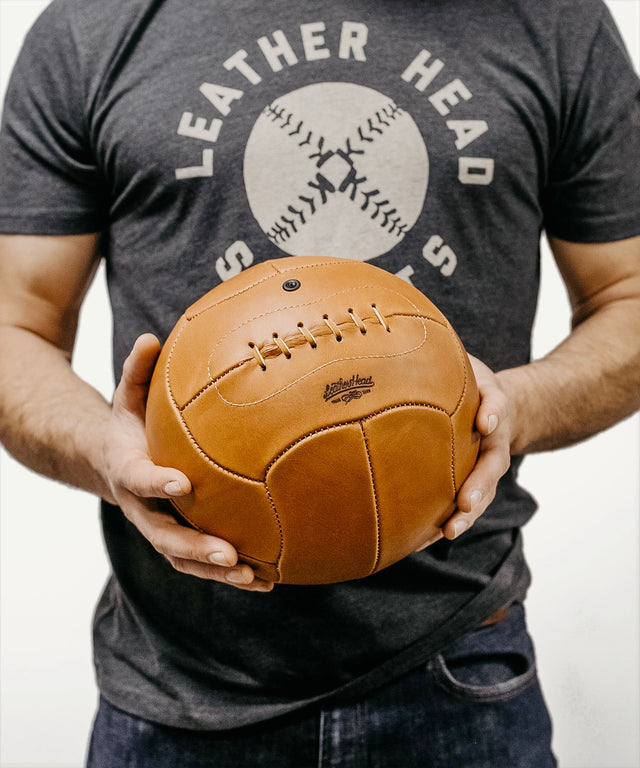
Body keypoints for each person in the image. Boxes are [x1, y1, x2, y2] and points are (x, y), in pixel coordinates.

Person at [0, 0, 639, 765]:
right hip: (175, 682)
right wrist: (105, 451)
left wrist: (515, 407)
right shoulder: (92, 25)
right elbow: (16, 324)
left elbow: (627, 295)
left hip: (459, 663)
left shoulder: (556, 21)